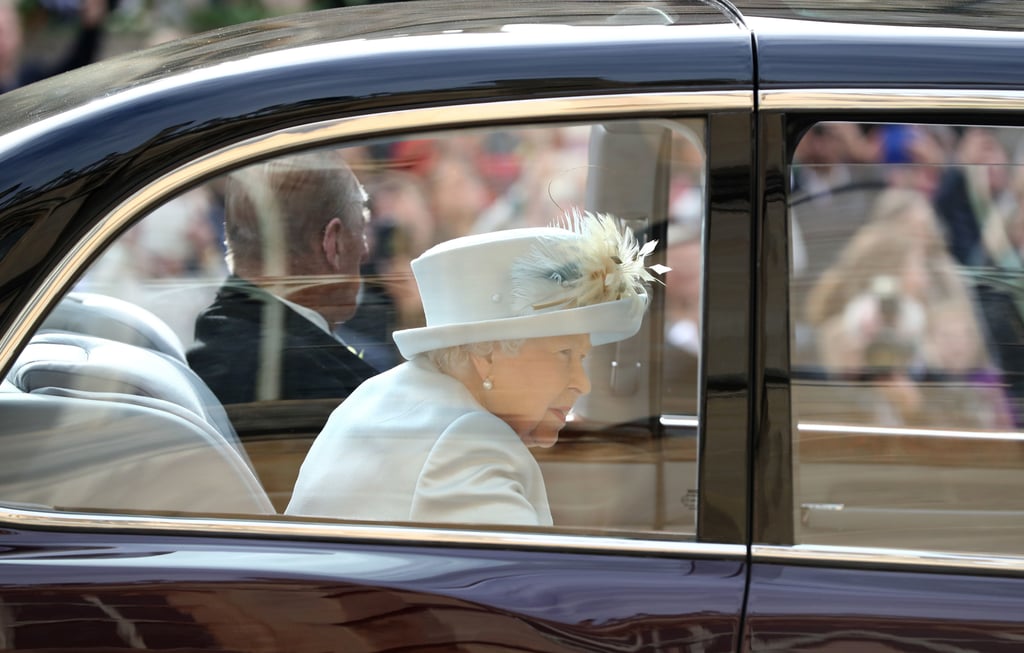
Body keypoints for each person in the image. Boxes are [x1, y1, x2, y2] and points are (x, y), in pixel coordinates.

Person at [286, 210, 665, 526]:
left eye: (581, 358)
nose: (582, 384)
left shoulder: (376, 395)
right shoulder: (467, 442)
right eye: (564, 353)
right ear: (486, 354)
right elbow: (525, 599)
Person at [187, 150, 378, 406]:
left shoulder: (220, 340)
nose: (365, 251)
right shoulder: (314, 381)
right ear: (334, 242)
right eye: (361, 228)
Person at [0, 0, 107, 94]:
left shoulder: (29, 77)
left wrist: (91, 27)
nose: (2, 41)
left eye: (4, 31)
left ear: (18, 32)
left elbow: (69, 76)